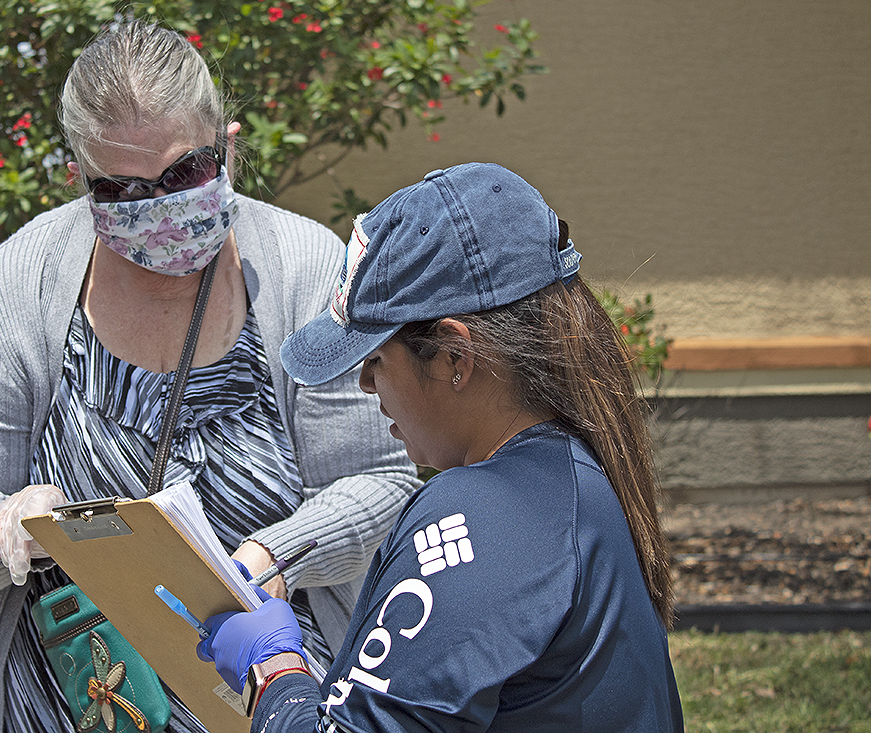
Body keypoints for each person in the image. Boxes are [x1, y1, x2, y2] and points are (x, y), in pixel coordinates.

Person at [0, 20, 419, 733]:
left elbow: (381, 481)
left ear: (227, 143)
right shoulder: (19, 282)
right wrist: (5, 526)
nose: (154, 207)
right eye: (118, 189)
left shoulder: (304, 268)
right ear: (79, 175)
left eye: (182, 174)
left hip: (277, 701)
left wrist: (276, 555)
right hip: (79, 704)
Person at [196, 162, 685, 731]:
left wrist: (274, 673)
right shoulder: (569, 470)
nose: (364, 385)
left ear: (455, 356)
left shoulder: (481, 512)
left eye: (377, 359)